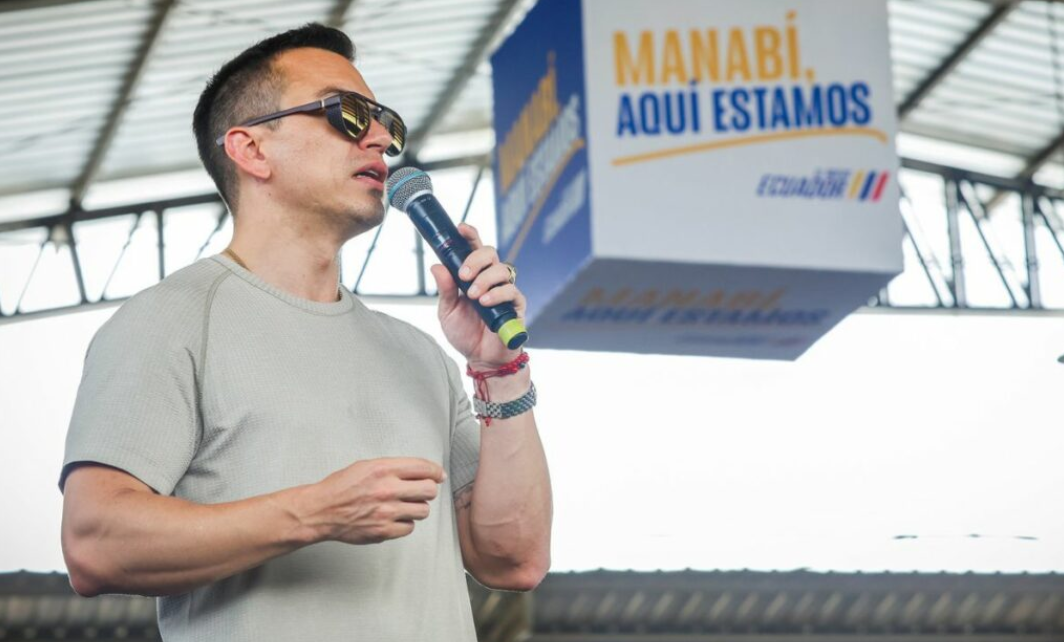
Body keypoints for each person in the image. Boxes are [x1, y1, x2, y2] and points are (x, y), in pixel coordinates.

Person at [57, 22, 552, 641]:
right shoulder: (170, 319)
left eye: (386, 122)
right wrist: (316, 512)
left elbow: (514, 559)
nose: (380, 139)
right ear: (251, 150)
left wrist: (499, 371)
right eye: (346, 114)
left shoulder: (419, 354)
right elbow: (95, 545)